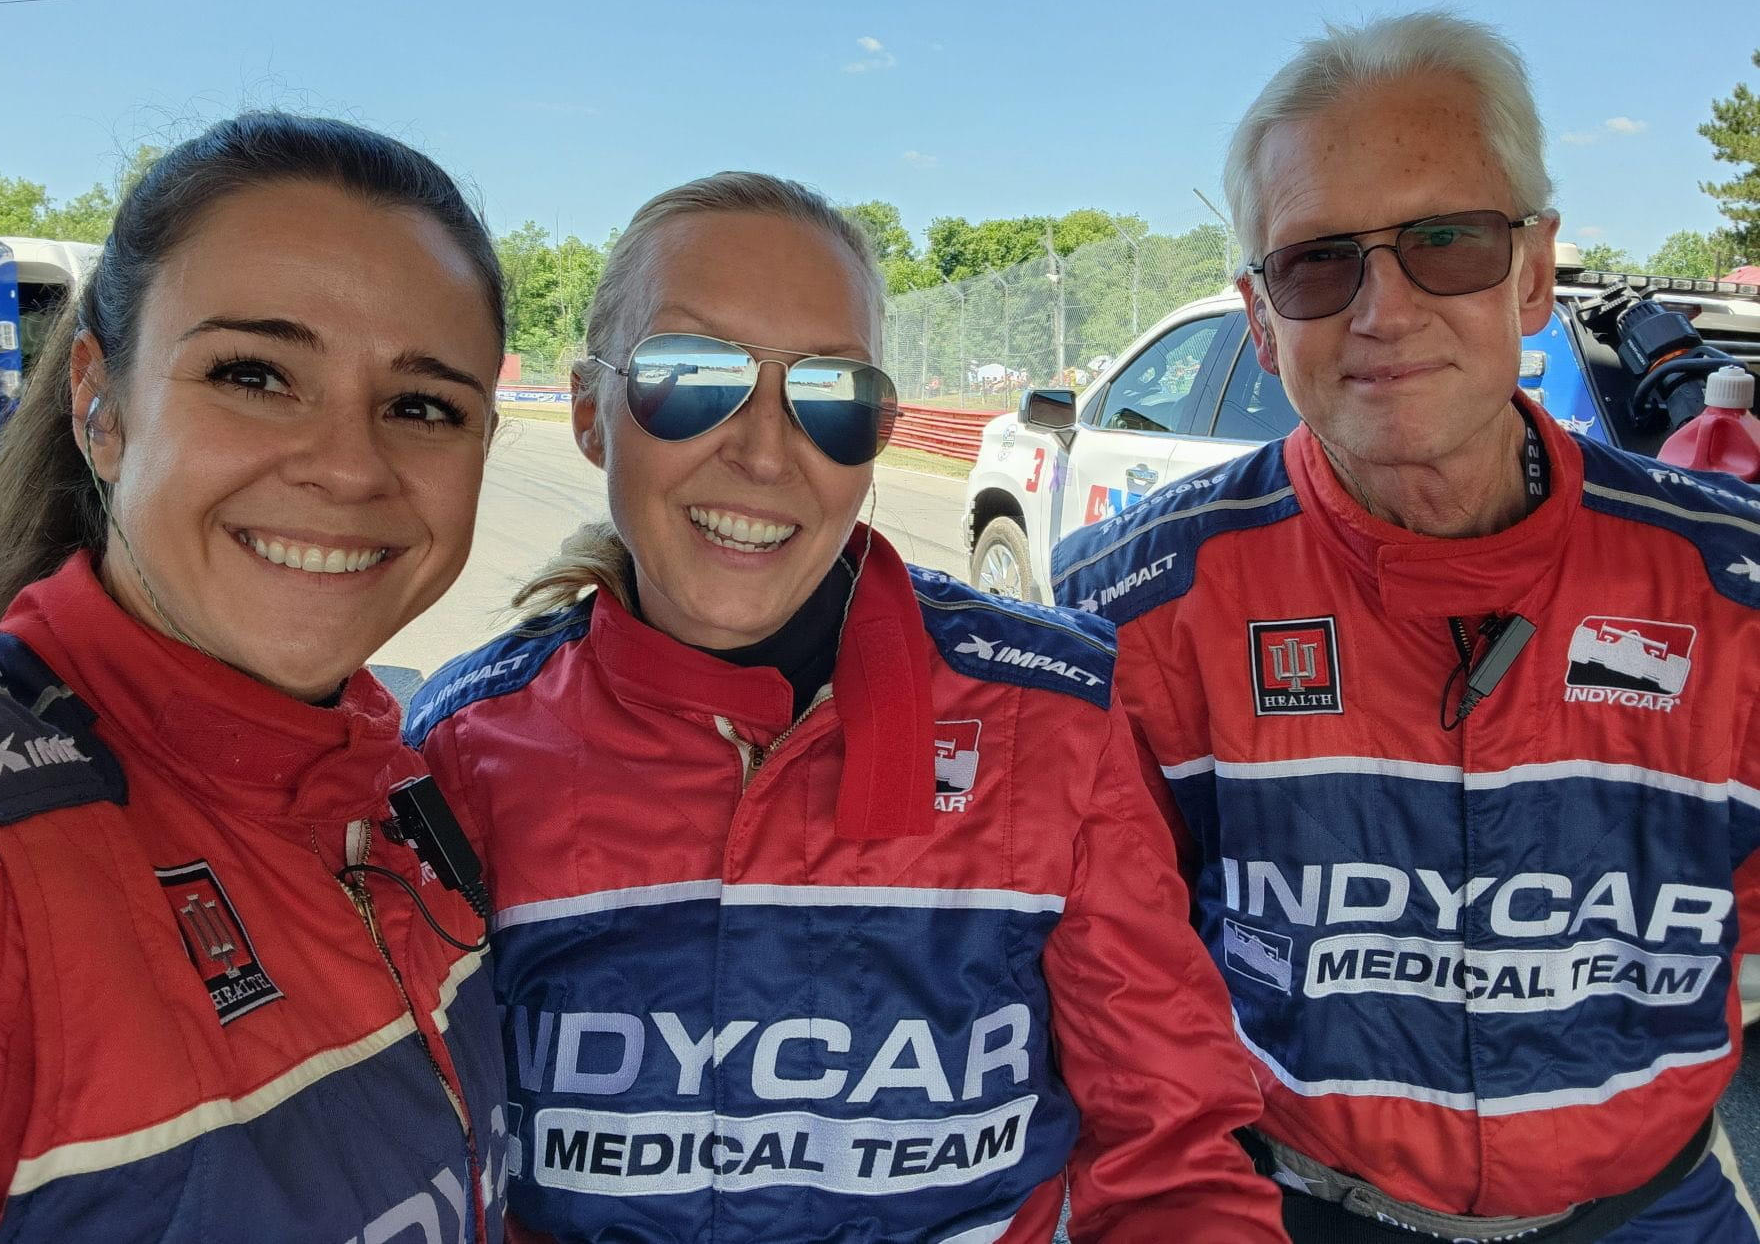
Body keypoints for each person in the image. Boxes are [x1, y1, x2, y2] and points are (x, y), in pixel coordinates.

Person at [406, 172, 1286, 1243]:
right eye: (692, 378)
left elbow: (1174, 1162)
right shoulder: (461, 749)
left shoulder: (1050, 720)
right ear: (592, 414)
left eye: (830, 396)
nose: (766, 451)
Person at [1053, 10, 1760, 1241]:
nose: (1381, 309)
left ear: (1532, 272)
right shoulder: (1134, 603)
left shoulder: (1732, 588)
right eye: (1318, 263)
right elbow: (1110, 996)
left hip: (1652, 1212)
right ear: (1261, 321)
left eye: (1444, 241)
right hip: (1285, 1210)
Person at [0, 113, 512, 1243]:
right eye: (254, 374)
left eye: (423, 405)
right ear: (100, 403)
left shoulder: (405, 790)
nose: (349, 465)